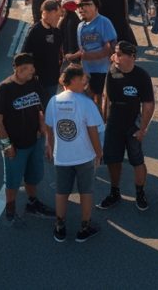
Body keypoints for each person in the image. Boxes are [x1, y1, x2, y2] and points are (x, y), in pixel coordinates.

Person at [0, 53, 57, 223]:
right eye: (29, 69)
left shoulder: (33, 82)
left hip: (35, 140)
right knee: (13, 180)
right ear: (18, 69)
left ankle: (32, 202)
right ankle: (10, 209)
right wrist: (6, 144)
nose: (32, 71)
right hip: (16, 145)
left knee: (33, 175)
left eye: (32, 68)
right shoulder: (5, 88)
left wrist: (43, 130)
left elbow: (41, 107)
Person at [44, 66, 104, 242]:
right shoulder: (86, 103)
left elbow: (49, 127)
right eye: (82, 79)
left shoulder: (54, 101)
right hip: (84, 156)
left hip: (62, 157)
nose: (85, 82)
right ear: (73, 80)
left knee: (61, 192)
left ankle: (60, 227)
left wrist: (50, 146)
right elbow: (93, 131)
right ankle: (84, 227)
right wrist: (99, 153)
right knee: (86, 191)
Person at [98, 41, 154, 212]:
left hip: (133, 125)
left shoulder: (142, 76)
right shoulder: (112, 71)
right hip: (114, 124)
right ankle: (114, 192)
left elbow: (148, 104)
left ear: (132, 57)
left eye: (119, 54)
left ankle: (140, 193)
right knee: (113, 160)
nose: (114, 57)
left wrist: (142, 129)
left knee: (137, 160)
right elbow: (106, 98)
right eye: (115, 53)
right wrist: (104, 122)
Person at [66, 0, 117, 112]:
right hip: (86, 71)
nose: (84, 8)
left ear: (96, 6)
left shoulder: (104, 22)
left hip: (102, 71)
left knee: (99, 101)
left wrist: (88, 56)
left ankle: (100, 121)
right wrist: (72, 56)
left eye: (88, 4)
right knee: (85, 100)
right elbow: (82, 50)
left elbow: (110, 48)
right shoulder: (80, 26)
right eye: (81, 5)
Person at [22, 0, 65, 103]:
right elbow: (25, 55)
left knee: (50, 106)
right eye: (57, 15)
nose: (59, 18)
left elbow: (59, 53)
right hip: (38, 81)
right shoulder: (35, 31)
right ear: (49, 13)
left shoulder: (57, 32)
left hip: (53, 79)